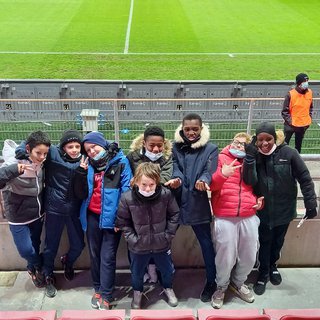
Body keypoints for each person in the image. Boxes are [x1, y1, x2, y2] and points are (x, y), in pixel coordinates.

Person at [243, 122, 317, 296]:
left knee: (278, 241)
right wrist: (250, 158)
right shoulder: (254, 155)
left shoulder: (289, 154)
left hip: (284, 210)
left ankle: (273, 266)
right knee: (264, 241)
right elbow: (249, 181)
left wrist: (310, 202)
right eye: (260, 140)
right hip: (262, 211)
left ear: (274, 138)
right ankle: (263, 272)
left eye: (268, 139)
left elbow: (305, 178)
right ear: (256, 140)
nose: (264, 143)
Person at [73, 131, 132, 310]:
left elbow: (126, 191)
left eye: (94, 147)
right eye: (88, 150)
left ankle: (106, 294)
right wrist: (80, 173)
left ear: (103, 144)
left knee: (107, 256)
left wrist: (120, 219)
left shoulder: (120, 162)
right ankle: (98, 288)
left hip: (112, 220)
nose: (91, 152)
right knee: (94, 254)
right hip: (92, 215)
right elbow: (80, 193)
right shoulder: (87, 165)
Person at [165, 113, 218, 302]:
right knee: (164, 242)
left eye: (195, 129)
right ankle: (164, 280)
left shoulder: (211, 148)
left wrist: (204, 180)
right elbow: (174, 166)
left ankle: (212, 281)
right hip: (176, 203)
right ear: (182, 128)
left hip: (198, 203)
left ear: (201, 129)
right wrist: (177, 178)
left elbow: (209, 169)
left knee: (206, 245)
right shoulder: (174, 147)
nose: (191, 132)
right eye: (187, 129)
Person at [210, 132, 263, 309]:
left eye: (243, 144)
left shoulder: (253, 160)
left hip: (249, 215)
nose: (239, 146)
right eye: (236, 142)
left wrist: (260, 202)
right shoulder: (220, 158)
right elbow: (212, 186)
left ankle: (239, 283)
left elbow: (259, 186)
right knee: (225, 256)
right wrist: (222, 174)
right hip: (225, 215)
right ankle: (221, 286)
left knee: (249, 254)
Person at [116, 162, 180, 309]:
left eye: (152, 184)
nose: (148, 188)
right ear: (136, 181)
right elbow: (123, 221)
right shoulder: (127, 198)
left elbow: (174, 214)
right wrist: (132, 239)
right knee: (137, 273)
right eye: (144, 184)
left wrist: (168, 234)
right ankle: (137, 292)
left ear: (157, 182)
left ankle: (168, 288)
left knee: (167, 270)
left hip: (162, 244)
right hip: (138, 246)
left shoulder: (166, 195)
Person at [0, 131, 51, 289]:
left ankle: (33, 269)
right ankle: (37, 263)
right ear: (28, 149)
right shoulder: (13, 162)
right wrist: (14, 170)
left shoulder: (42, 163)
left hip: (37, 215)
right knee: (26, 250)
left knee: (35, 244)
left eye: (45, 153)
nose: (42, 157)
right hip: (18, 218)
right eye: (38, 153)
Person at [126, 126, 173, 283]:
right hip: (136, 209)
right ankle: (139, 277)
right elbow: (127, 179)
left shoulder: (166, 158)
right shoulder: (132, 157)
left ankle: (156, 271)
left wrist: (142, 182)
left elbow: (166, 177)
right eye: (151, 145)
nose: (155, 149)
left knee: (156, 243)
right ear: (143, 143)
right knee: (136, 245)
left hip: (158, 208)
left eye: (159, 145)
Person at [281, 73, 313, 153]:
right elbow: (285, 111)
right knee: (284, 145)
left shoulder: (310, 92)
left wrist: (309, 119)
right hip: (290, 125)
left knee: (298, 146)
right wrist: (291, 122)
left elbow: (310, 107)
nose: (307, 82)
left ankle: (296, 162)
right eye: (305, 81)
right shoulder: (290, 94)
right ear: (299, 83)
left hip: (303, 125)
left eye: (307, 80)